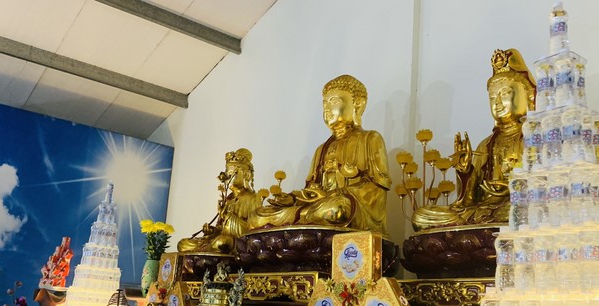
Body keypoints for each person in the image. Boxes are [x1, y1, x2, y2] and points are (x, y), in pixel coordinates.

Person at [248, 75, 391, 235]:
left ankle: (301, 221)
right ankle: (304, 220)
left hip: (343, 208)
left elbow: (375, 190)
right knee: (257, 216)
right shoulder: (321, 149)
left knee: (337, 209)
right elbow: (311, 190)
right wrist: (294, 198)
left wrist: (331, 195)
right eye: (324, 104)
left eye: (334, 102)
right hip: (318, 207)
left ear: (358, 103)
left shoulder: (370, 139)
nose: (327, 109)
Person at [412, 48, 536, 231]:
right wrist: (465, 171)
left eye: (505, 94)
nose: (497, 103)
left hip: (517, 205)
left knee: (526, 212)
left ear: (528, 96)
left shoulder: (536, 138)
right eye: (492, 97)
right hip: (482, 211)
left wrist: (514, 188)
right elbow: (469, 201)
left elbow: (547, 185)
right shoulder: (486, 145)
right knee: (421, 216)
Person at [177, 148, 261, 254]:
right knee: (183, 243)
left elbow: (251, 230)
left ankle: (207, 249)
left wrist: (228, 216)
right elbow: (221, 229)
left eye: (231, 174)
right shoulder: (228, 198)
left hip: (235, 242)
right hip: (219, 239)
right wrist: (212, 231)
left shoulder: (252, 198)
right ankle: (207, 248)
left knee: (223, 242)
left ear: (246, 175)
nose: (227, 177)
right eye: (227, 174)